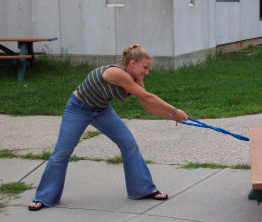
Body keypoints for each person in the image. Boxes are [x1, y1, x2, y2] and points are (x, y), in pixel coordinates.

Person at [28, 43, 188, 211]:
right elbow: (147, 97)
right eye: (145, 68)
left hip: (101, 110)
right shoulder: (116, 73)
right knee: (62, 152)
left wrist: (172, 117)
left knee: (129, 145)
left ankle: (142, 190)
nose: (147, 72)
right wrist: (174, 110)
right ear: (132, 63)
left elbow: (147, 106)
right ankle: (44, 197)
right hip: (79, 108)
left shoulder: (135, 79)